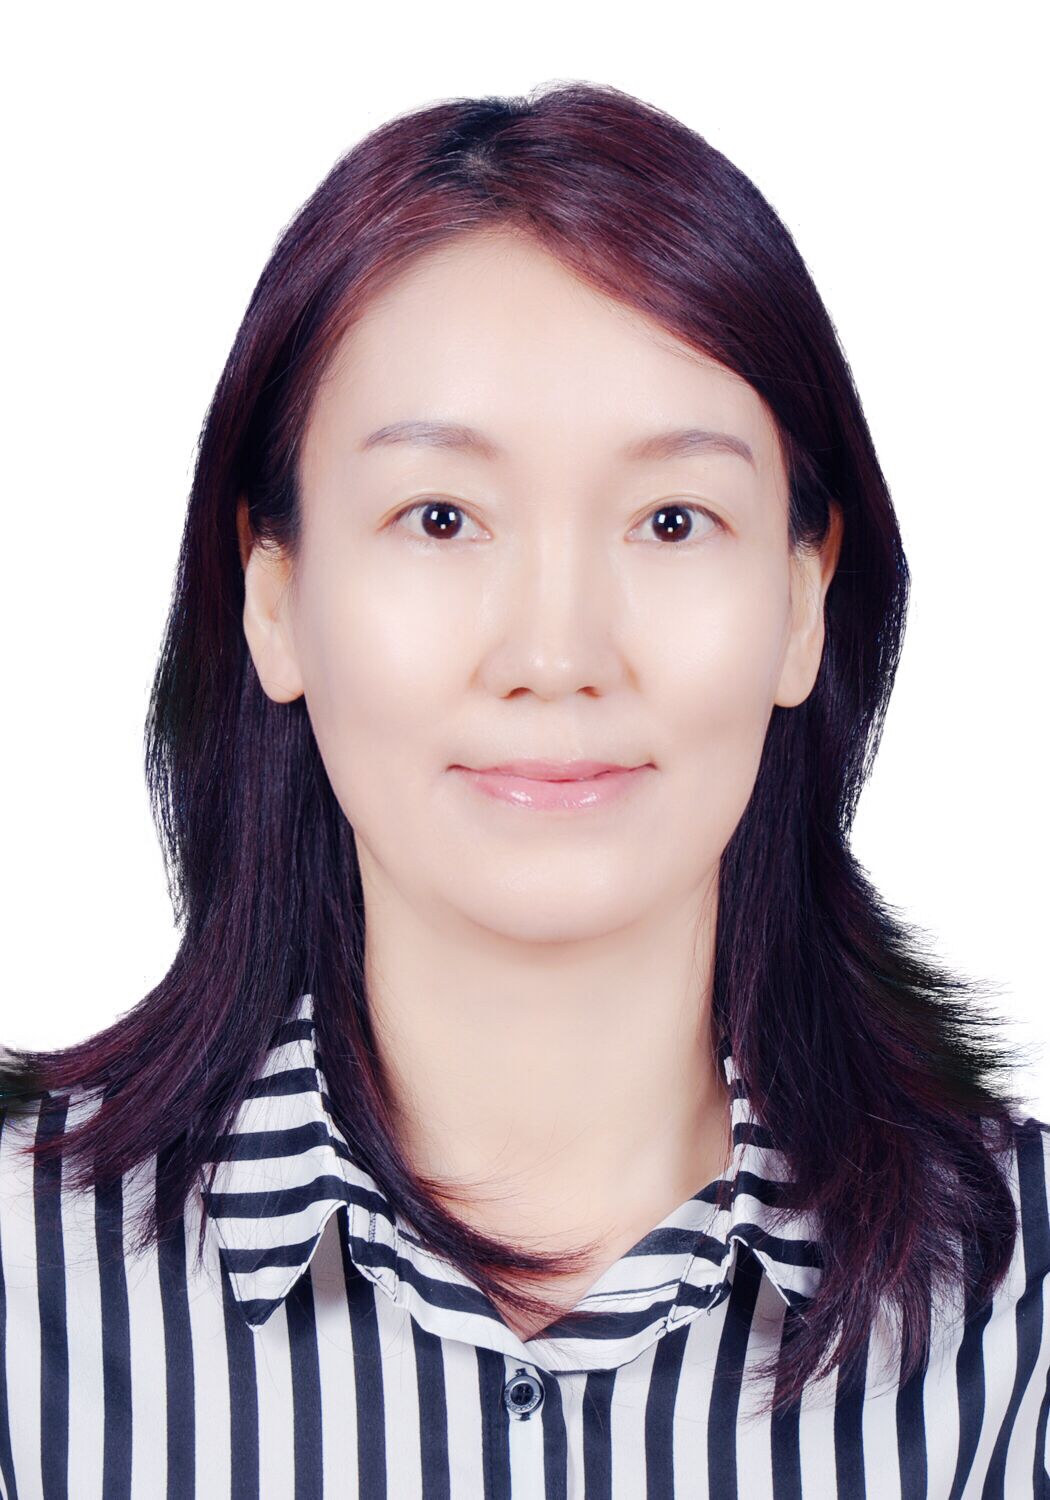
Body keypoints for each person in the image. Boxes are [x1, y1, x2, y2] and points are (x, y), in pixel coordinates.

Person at [1, 81, 1047, 1499]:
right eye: (439, 518)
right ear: (275, 598)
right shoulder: (22, 1291)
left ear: (803, 602)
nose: (556, 655)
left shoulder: (1019, 1310)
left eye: (672, 520)